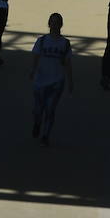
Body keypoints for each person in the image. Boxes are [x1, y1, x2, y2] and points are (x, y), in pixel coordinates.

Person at [30, 12, 73, 145]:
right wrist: (32, 71)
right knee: (38, 109)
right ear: (49, 24)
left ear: (61, 25)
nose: (54, 25)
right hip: (40, 80)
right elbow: (35, 57)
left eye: (57, 22)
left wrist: (70, 81)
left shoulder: (65, 43)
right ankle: (37, 122)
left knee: (50, 108)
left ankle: (46, 135)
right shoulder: (42, 41)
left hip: (57, 81)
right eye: (52, 22)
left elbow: (67, 63)